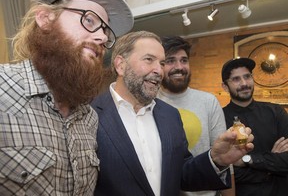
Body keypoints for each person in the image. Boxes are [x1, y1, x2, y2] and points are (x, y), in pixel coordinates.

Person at [0, 0, 133, 195]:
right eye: (89, 20)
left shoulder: (89, 117)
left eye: (106, 33)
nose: (101, 38)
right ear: (45, 18)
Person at [91, 31, 254, 196]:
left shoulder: (170, 115)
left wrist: (216, 160)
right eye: (149, 59)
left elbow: (180, 174)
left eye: (161, 63)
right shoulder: (89, 115)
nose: (159, 71)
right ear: (121, 65)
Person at [157, 36, 234, 196]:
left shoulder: (208, 101)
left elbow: (224, 155)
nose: (179, 67)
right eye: (171, 60)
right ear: (160, 65)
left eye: (184, 60)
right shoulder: (150, 102)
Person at [221, 57, 288, 196]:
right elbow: (227, 172)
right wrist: (272, 164)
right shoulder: (219, 118)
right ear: (225, 87)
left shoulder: (276, 112)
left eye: (247, 76)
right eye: (236, 79)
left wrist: (247, 160)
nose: (244, 83)